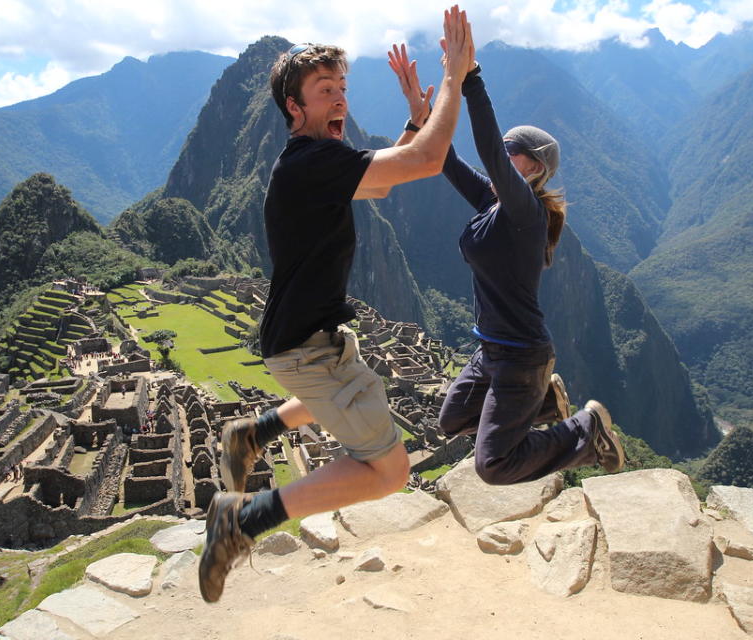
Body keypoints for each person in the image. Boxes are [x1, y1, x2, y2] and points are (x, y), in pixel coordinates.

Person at [199, 5, 475, 603]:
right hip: (304, 348)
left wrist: (414, 117)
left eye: (343, 88)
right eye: (326, 91)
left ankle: (254, 431)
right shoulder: (311, 161)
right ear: (294, 108)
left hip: (304, 339)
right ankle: (241, 521)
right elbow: (425, 163)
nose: (340, 100)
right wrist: (456, 77)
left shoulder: (311, 164)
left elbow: (378, 180)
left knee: (343, 381)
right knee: (389, 471)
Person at [388, 48, 625, 487]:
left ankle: (584, 431)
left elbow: (487, 147)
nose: (500, 160)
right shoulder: (494, 200)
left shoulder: (524, 211)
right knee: (453, 421)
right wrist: (420, 116)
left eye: (512, 155)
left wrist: (470, 77)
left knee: (492, 465)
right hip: (491, 352)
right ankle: (544, 407)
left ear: (533, 168)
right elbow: (444, 159)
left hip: (520, 355)